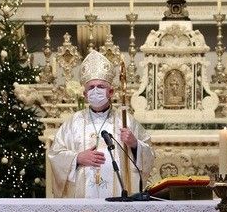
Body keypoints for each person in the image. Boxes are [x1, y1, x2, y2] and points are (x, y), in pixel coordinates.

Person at [48, 50, 155, 198]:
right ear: (85, 94)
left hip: (118, 194)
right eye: (91, 87)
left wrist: (135, 144)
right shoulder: (73, 123)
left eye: (101, 87)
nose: (95, 91)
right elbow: (55, 154)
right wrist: (77, 158)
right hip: (82, 199)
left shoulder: (126, 121)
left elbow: (149, 154)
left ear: (111, 92)